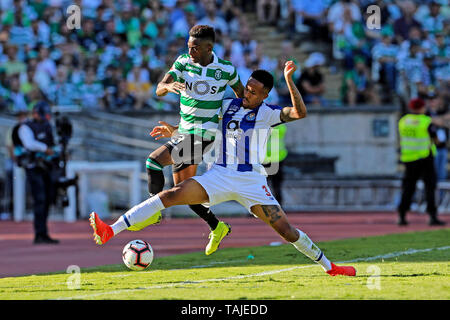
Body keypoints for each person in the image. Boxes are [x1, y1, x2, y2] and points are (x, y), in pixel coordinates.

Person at [89, 61, 357, 277]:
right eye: (247, 87)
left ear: (265, 95)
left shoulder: (267, 113)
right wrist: (174, 130)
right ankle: (110, 230)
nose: (246, 93)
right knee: (170, 195)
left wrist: (289, 80)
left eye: (253, 92)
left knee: (287, 231)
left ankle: (330, 267)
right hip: (219, 175)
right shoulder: (228, 105)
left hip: (251, 182)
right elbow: (200, 127)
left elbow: (300, 113)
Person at [138, 25, 245, 251]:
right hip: (185, 133)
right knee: (184, 192)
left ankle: (152, 211)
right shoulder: (183, 62)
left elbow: (242, 97)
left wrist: (234, 120)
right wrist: (168, 86)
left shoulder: (225, 69)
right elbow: (158, 88)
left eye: (195, 48)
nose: (191, 51)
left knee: (153, 161)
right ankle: (217, 227)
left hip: (203, 135)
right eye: (188, 47)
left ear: (209, 47)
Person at [13, 101, 60, 244]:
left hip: (46, 166)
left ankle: (44, 233)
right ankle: (39, 233)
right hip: (33, 168)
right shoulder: (25, 127)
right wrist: (45, 148)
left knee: (47, 199)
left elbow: (53, 144)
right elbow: (29, 144)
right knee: (40, 199)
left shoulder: (47, 126)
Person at [397, 98, 447, 226]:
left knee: (408, 188)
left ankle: (402, 216)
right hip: (425, 158)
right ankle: (432, 216)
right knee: (430, 187)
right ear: (421, 108)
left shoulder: (403, 121)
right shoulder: (426, 121)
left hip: (408, 158)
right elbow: (436, 139)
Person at [263, 123, 288, 206]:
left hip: (276, 159)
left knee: (275, 185)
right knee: (263, 185)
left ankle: (278, 206)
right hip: (269, 159)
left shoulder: (278, 126)